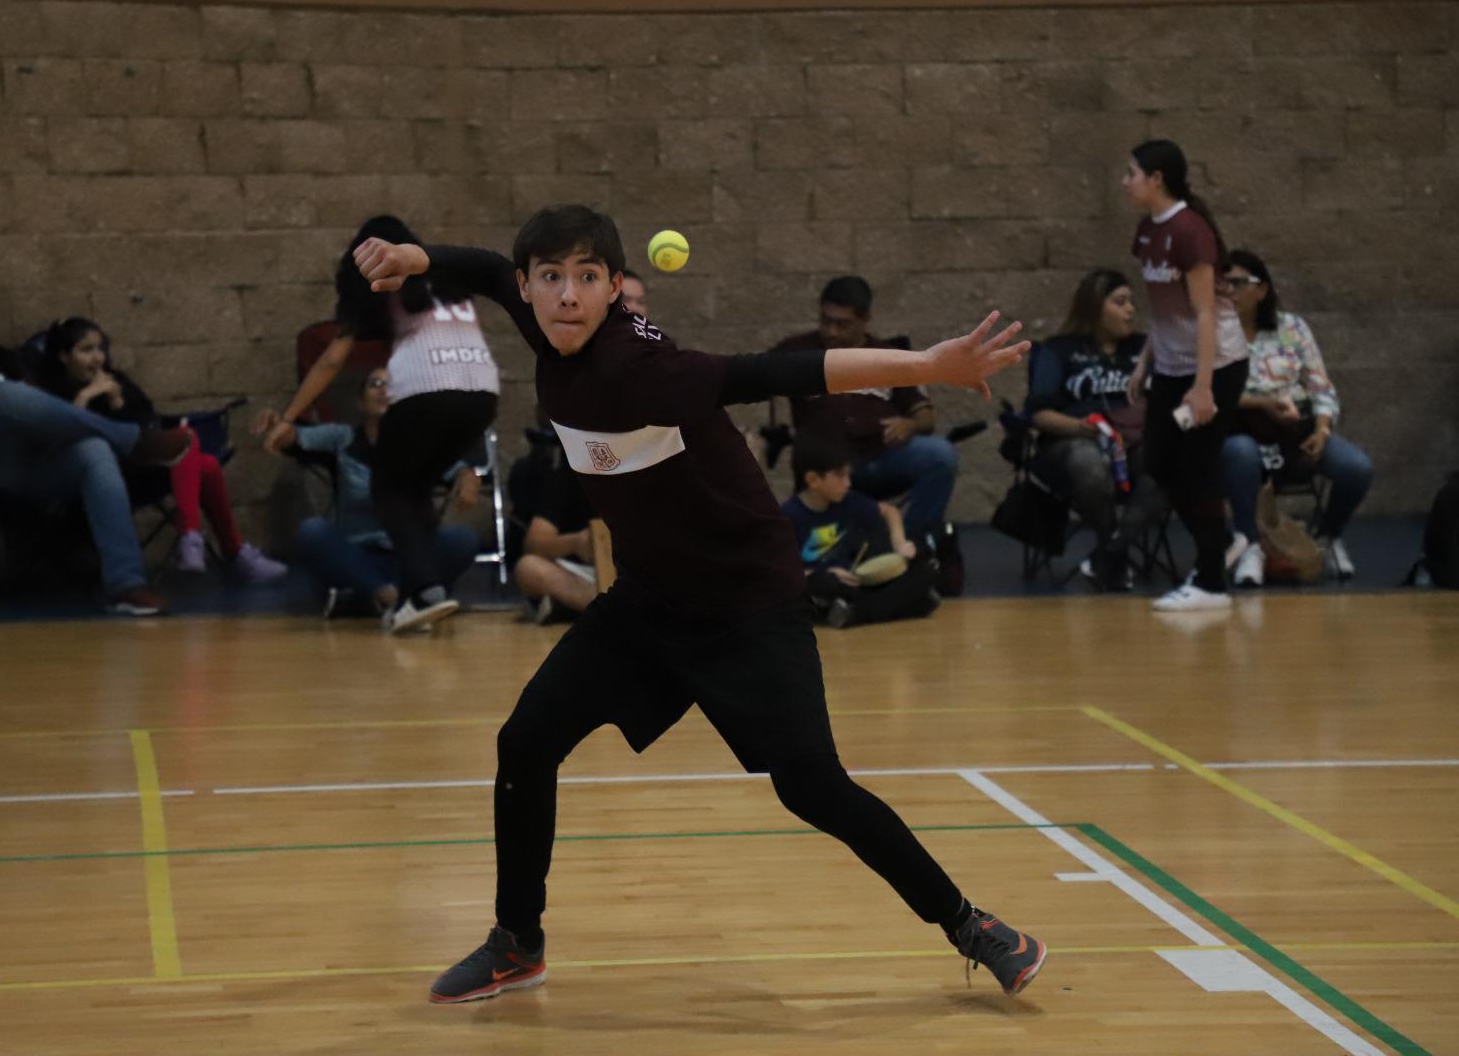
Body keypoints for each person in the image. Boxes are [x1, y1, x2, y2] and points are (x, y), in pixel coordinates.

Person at [354, 204, 1045, 1005]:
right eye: (551, 278)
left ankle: (971, 924)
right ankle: (517, 943)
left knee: (812, 785)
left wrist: (927, 363)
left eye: (587, 278)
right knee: (526, 742)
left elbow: (778, 373)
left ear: (615, 288)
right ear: (529, 288)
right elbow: (477, 264)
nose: (568, 295)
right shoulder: (542, 324)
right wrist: (417, 256)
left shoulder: (642, 371)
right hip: (649, 604)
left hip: (749, 603)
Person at [254, 215, 498, 634]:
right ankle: (420, 593)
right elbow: (461, 397)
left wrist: (290, 416)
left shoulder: (384, 279)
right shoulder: (444, 274)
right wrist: (473, 464)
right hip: (483, 388)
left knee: (390, 488)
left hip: (424, 387)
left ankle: (421, 592)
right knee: (415, 485)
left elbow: (332, 359)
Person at [0, 277, 189, 616]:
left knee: (93, 451)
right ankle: (134, 441)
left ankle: (126, 585)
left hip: (29, 464)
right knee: (5, 396)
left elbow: (47, 410)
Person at [35, 317, 287, 584]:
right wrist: (84, 398)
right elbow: (62, 435)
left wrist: (118, 401)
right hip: (101, 481)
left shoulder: (116, 381)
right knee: (189, 443)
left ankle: (207, 544)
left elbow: (149, 426)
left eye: (100, 348)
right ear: (64, 356)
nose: (97, 358)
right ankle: (219, 549)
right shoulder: (52, 390)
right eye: (86, 350)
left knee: (205, 463)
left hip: (140, 468)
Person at [1122, 141, 1249, 613]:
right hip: (1173, 366)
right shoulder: (1146, 231)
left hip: (1216, 364)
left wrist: (1203, 387)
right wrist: (1144, 362)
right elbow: (1162, 308)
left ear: (1156, 179)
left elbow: (1204, 313)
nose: (1125, 181)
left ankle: (1212, 582)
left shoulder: (1190, 231)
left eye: (1131, 173)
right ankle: (1222, 543)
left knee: (1197, 466)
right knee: (1158, 459)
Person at [267, 369, 479, 619]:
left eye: (392, 386)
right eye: (375, 384)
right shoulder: (342, 438)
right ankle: (390, 595)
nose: (383, 390)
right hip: (356, 558)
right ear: (360, 401)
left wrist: (467, 478)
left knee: (462, 539)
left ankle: (375, 599)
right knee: (312, 531)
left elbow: (462, 471)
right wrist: (278, 426)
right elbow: (295, 438)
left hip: (411, 556)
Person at [1220, 250, 1373, 586]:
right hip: (1241, 430)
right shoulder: (1211, 333)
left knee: (1356, 468)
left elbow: (1320, 387)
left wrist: (1321, 428)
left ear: (1261, 290)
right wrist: (1261, 403)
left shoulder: (1292, 328)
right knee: (1240, 453)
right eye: (1223, 283)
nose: (1228, 290)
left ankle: (1325, 537)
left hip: (1295, 428)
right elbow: (1208, 394)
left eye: (1238, 283)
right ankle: (1250, 544)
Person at [773, 276, 958, 543]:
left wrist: (910, 425)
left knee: (941, 455)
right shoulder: (796, 351)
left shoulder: (888, 356)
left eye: (843, 324)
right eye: (826, 321)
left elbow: (925, 416)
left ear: (865, 319)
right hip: (827, 464)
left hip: (880, 456)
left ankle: (911, 541)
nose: (832, 332)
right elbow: (755, 379)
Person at [1025, 270, 1167, 591]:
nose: (1131, 310)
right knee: (1088, 462)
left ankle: (1111, 552)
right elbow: (1038, 414)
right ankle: (1112, 547)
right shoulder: (1059, 350)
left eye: (1132, 302)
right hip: (1073, 442)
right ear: (1094, 307)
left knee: (1169, 459)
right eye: (1120, 302)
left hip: (1134, 443)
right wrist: (1083, 428)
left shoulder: (1142, 348)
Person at [782, 432, 939, 628]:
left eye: (848, 474)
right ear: (813, 479)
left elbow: (890, 512)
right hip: (823, 586)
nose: (847, 483)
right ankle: (900, 605)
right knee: (822, 584)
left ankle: (852, 611)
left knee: (924, 567)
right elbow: (783, 573)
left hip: (854, 583)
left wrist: (900, 542)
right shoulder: (788, 516)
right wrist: (828, 572)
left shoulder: (848, 501)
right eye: (840, 475)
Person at [511, 434, 599, 623]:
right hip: (587, 575)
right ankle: (604, 605)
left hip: (640, 576)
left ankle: (580, 607)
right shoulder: (570, 472)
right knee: (528, 568)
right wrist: (576, 543)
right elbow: (534, 543)